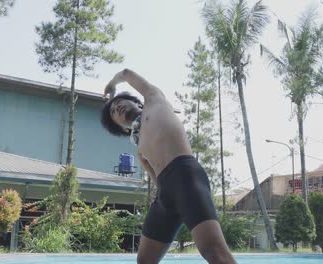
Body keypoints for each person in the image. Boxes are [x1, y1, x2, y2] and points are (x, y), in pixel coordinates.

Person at [101, 69, 236, 264]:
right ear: (122, 127)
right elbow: (153, 174)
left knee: (215, 253)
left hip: (185, 176)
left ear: (137, 102)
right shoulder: (139, 147)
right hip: (164, 195)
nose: (117, 107)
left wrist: (113, 84)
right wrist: (161, 196)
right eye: (113, 112)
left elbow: (127, 73)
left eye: (120, 102)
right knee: (145, 260)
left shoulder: (153, 100)